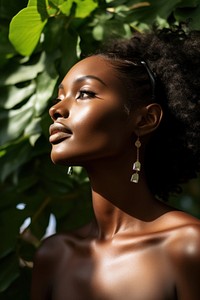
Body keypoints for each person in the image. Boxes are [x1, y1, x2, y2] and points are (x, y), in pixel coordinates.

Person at [31, 27, 200, 300]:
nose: (56, 109)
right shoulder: (54, 255)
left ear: (145, 120)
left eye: (84, 93)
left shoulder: (188, 245)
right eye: (59, 97)